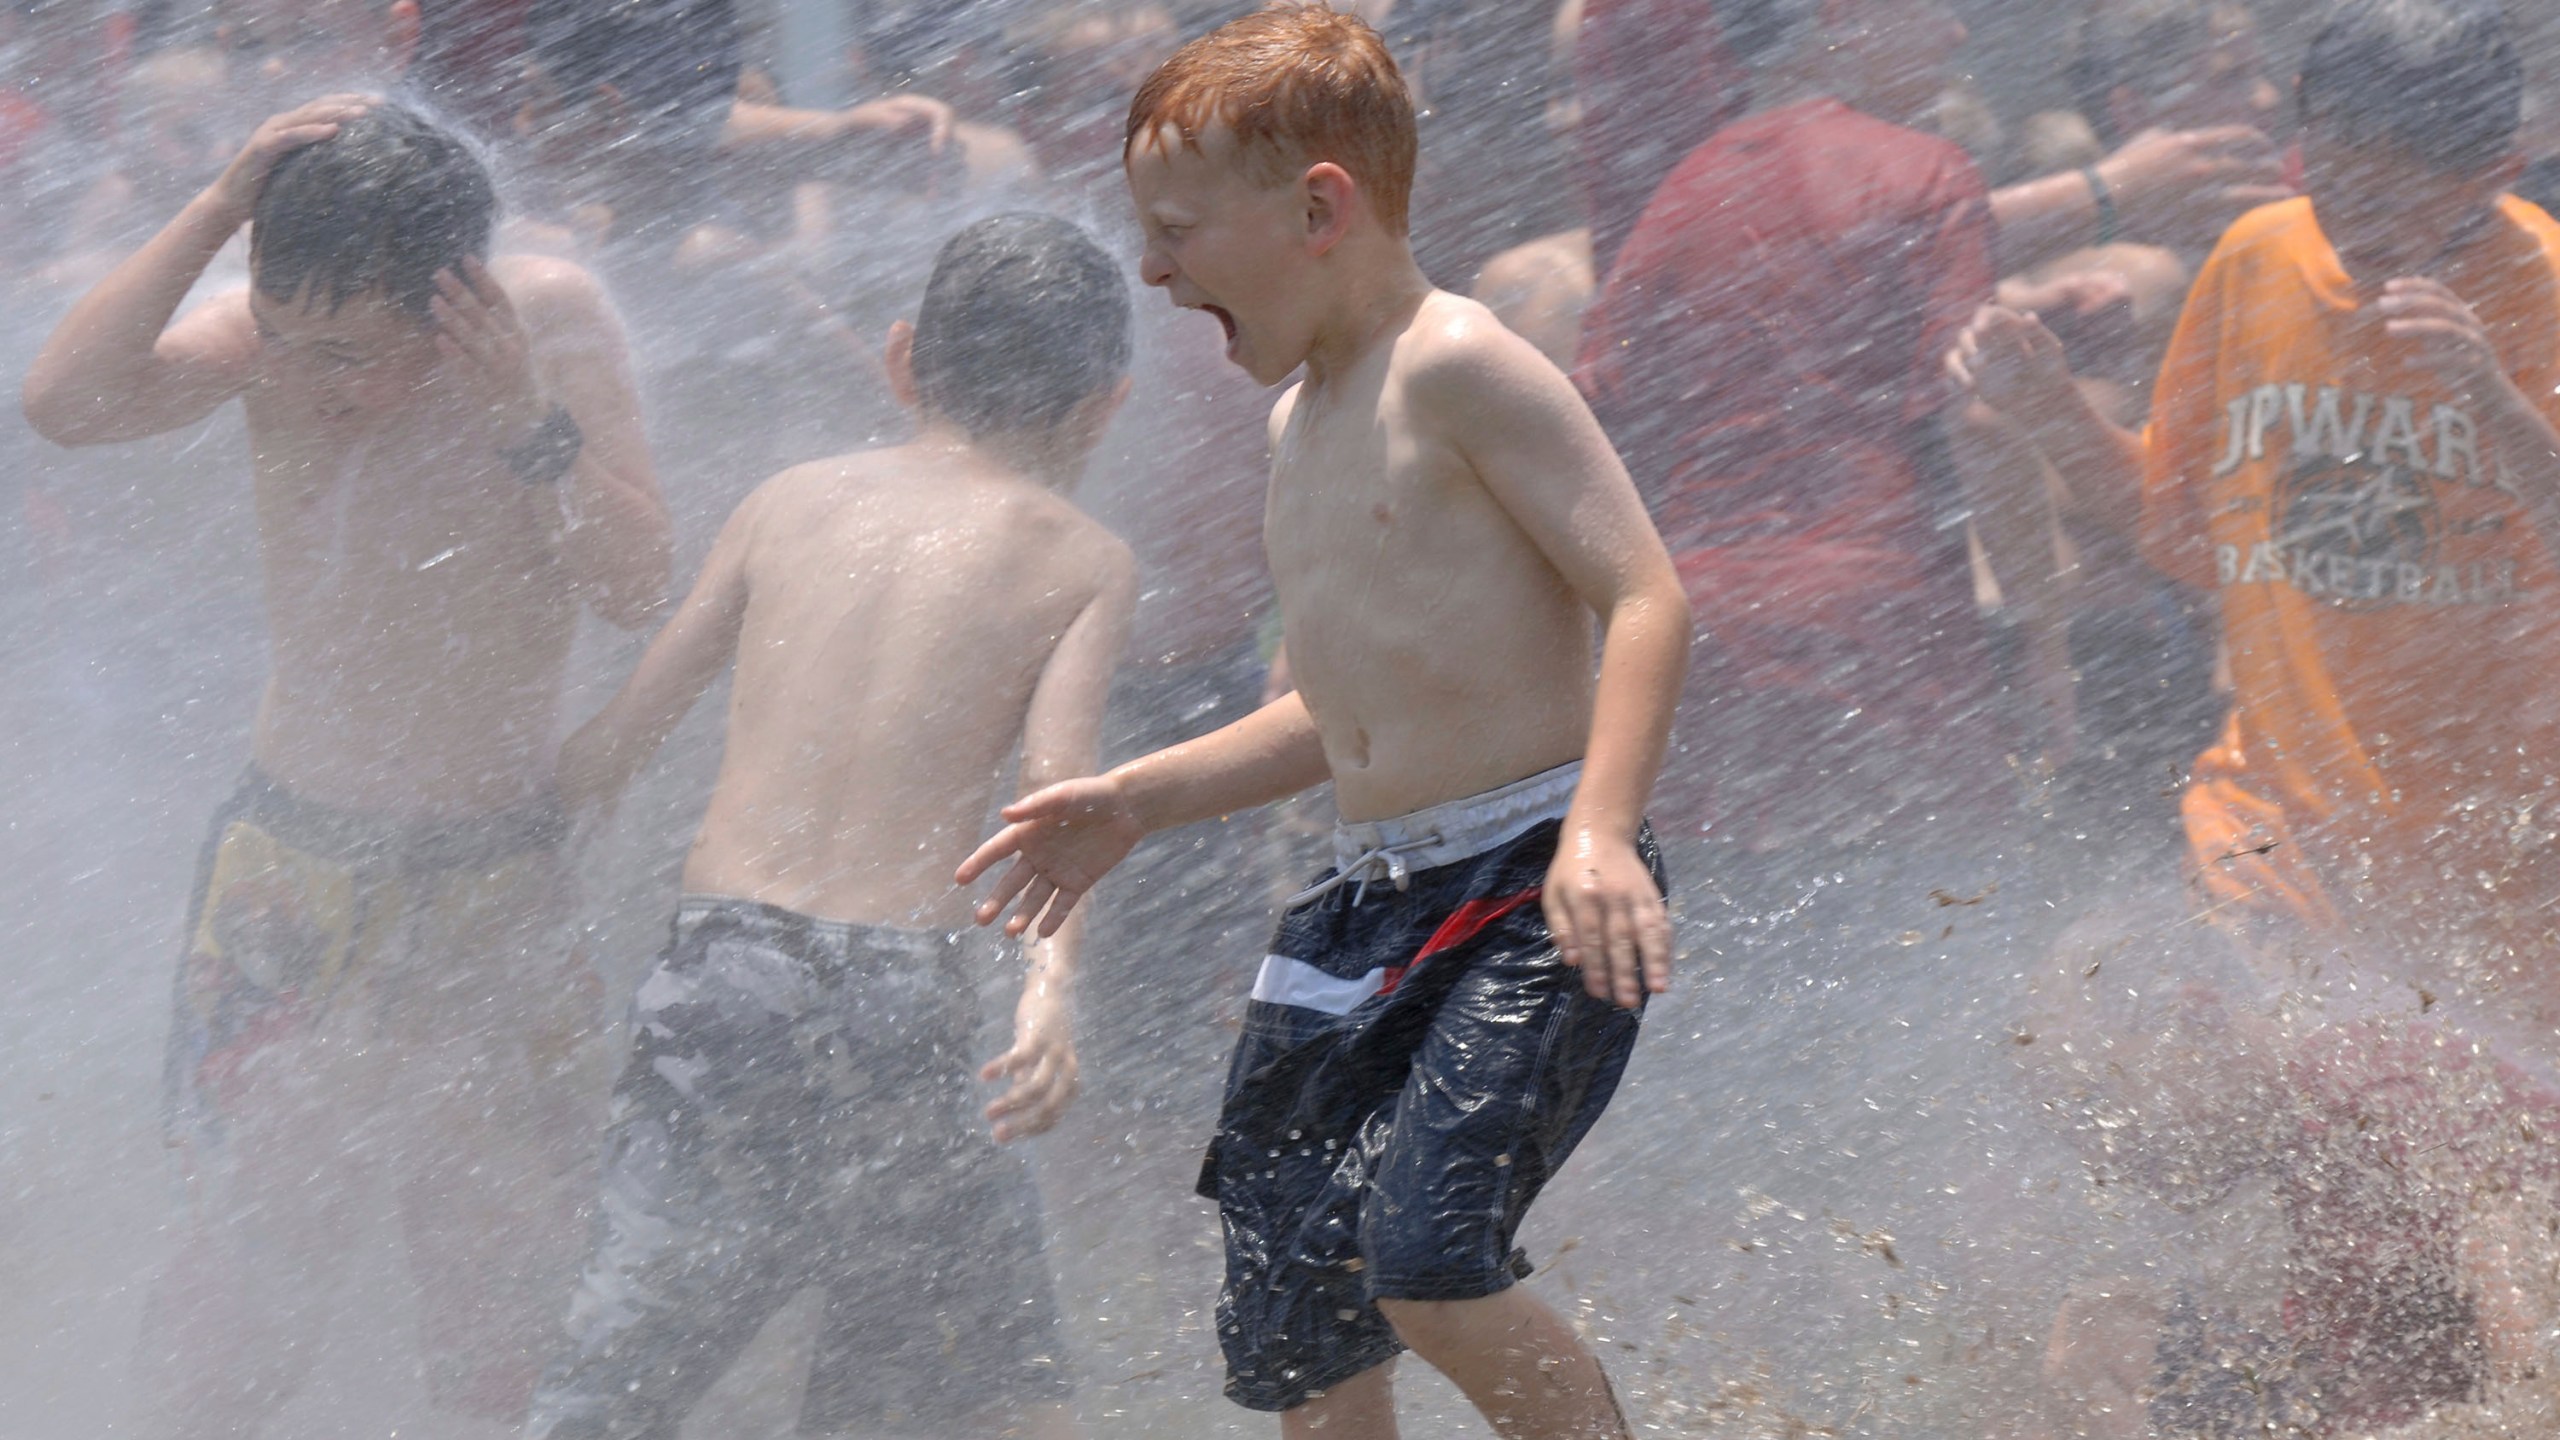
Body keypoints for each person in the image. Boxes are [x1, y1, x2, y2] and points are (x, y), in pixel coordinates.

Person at [957, 8, 1692, 1436]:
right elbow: (1333, 711)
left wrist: (1599, 831)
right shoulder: (1298, 421)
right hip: (1371, 904)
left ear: (1318, 207)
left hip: (1528, 883)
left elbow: (1648, 595)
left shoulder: (1462, 366)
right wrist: (1141, 797)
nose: (1154, 273)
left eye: (1174, 231)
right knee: (1298, 1313)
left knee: (1427, 1261)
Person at [18, 97, 670, 1433]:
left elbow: (634, 584)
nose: (321, 384)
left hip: (494, 881)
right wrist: (216, 206)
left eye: (358, 356)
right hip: (291, 877)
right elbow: (64, 405)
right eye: (294, 343)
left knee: (500, 1277)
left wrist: (526, 424)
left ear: (456, 301)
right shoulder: (272, 336)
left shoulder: (549, 328)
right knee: (245, 1266)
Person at [521, 212, 1134, 1440]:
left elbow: (612, 747)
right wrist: (1048, 995)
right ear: (1102, 406)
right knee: (1005, 1392)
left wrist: (488, 844)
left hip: (722, 976)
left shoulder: (783, 502)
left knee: (610, 1386)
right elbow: (1053, 815)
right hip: (898, 996)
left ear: (904, 358)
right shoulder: (1079, 557)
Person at [1954, 0, 2560, 1021]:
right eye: (2332, 179)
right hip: (2269, 833)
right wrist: (2048, 411)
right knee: (2157, 1064)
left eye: (2392, 197)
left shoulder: (2541, 287)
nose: (2354, 220)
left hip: (2493, 860)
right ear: (2301, 141)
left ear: (2497, 167)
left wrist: (2494, 400)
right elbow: (2184, 535)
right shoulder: (2256, 261)